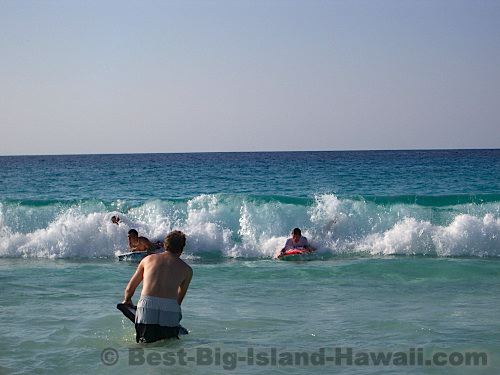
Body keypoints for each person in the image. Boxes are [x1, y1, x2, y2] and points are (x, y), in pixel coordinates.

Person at [122, 230, 193, 343]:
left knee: (144, 344)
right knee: (169, 344)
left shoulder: (147, 260)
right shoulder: (187, 270)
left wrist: (127, 300)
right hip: (170, 308)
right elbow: (179, 299)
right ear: (181, 250)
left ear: (165, 245)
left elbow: (130, 288)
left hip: (147, 306)